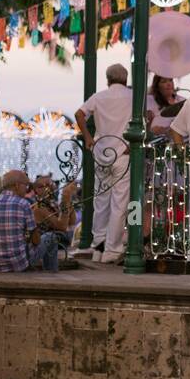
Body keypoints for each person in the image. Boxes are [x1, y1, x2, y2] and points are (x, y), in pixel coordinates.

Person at [75, 64, 133, 264]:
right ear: (125, 79)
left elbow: (79, 114)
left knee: (101, 200)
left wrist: (88, 137)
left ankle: (98, 243)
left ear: (108, 79)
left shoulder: (98, 97)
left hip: (101, 152)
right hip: (123, 152)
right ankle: (112, 249)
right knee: (120, 202)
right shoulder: (133, 97)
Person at [0, 170, 57, 273]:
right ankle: (51, 274)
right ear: (16, 186)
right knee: (50, 237)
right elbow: (36, 241)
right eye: (25, 185)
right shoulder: (23, 204)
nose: (27, 189)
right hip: (17, 266)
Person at [29, 175, 80, 271]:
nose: (48, 188)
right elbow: (62, 227)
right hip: (37, 248)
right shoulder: (38, 208)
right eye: (42, 186)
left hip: (53, 245)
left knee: (52, 239)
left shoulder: (53, 205)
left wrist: (68, 201)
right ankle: (50, 270)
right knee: (51, 237)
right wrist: (66, 196)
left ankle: (51, 271)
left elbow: (71, 222)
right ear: (35, 190)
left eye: (50, 184)